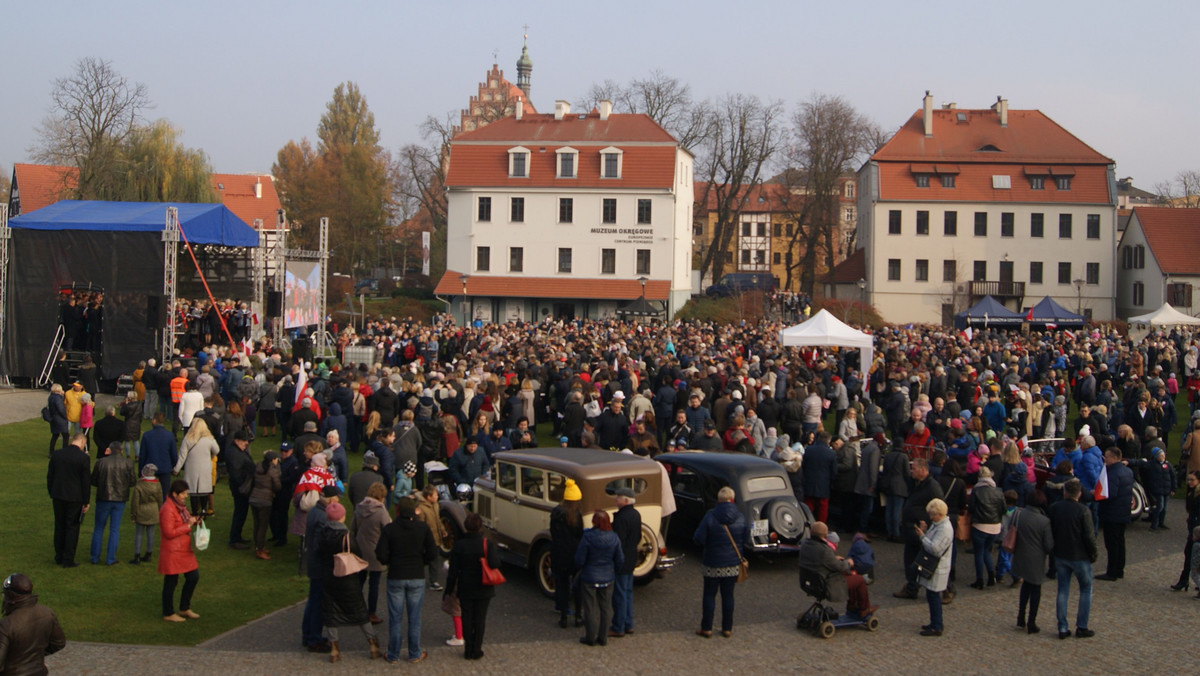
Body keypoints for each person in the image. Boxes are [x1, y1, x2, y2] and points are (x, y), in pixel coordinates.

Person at [317, 502, 381, 663]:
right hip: (347, 577)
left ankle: (334, 648)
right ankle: (372, 643)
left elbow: (318, 553)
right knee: (359, 610)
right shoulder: (346, 536)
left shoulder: (322, 534)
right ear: (342, 517)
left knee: (331, 611)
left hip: (329, 577)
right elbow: (357, 552)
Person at [375, 497, 436, 664]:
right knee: (414, 617)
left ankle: (393, 653)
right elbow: (432, 553)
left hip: (396, 575)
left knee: (395, 617)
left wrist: (390, 561)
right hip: (416, 575)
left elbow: (380, 554)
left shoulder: (390, 529)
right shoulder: (422, 528)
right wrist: (421, 561)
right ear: (414, 511)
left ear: (399, 511)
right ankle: (414, 652)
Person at [693, 486, 751, 637]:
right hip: (732, 563)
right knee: (728, 596)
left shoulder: (710, 515)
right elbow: (746, 538)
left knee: (709, 595)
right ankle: (727, 628)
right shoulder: (740, 516)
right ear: (732, 499)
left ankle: (707, 627)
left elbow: (698, 538)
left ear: (718, 500)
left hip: (712, 561)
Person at [445, 512, 500, 660]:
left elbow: (453, 570)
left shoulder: (459, 545)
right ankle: (477, 648)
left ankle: (468, 649)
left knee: (467, 617)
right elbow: (495, 563)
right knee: (480, 618)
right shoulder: (486, 544)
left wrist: (448, 589)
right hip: (484, 587)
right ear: (480, 527)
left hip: (466, 586)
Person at [1048, 478, 1097, 639]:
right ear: (1079, 494)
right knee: (1086, 589)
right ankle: (1082, 625)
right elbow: (1089, 536)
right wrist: (1093, 553)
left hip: (1061, 554)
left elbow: (1051, 531)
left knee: (1063, 590)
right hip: (1080, 555)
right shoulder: (1083, 511)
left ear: (1064, 492)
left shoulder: (1055, 508)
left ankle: (1062, 626)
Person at [798, 521, 876, 618]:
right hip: (825, 583)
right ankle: (865, 609)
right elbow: (839, 567)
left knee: (850, 576)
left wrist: (833, 559)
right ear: (825, 535)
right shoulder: (825, 550)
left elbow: (819, 560)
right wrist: (848, 562)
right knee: (859, 580)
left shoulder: (805, 544)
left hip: (809, 580)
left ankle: (852, 606)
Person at [895, 458, 944, 599]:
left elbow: (939, 506)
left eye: (914, 468)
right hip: (912, 528)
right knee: (911, 561)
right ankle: (911, 587)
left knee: (924, 561)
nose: (911, 471)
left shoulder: (932, 486)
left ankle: (946, 588)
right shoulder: (917, 484)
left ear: (923, 470)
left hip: (921, 529)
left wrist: (928, 523)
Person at [574, 510, 622, 647]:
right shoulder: (614, 537)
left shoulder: (588, 537)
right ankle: (603, 637)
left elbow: (579, 559)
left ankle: (590, 637)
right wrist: (614, 571)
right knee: (605, 608)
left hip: (590, 576)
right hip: (608, 576)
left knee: (589, 608)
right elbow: (620, 559)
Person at [0, 573, 66, 673]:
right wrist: (36, 655)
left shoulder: (6, 624)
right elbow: (59, 643)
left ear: (10, 595)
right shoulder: (47, 613)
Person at [301, 483, 340, 653]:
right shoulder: (323, 517)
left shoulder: (314, 511)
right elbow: (320, 544)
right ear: (331, 499)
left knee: (312, 600)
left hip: (313, 562)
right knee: (317, 602)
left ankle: (308, 634)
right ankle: (314, 639)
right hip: (319, 565)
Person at [1012, 489, 1054, 634]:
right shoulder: (1044, 521)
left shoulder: (1019, 514)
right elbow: (1048, 545)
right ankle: (1031, 621)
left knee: (1026, 586)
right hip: (1036, 558)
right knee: (1036, 589)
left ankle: (1021, 616)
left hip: (1020, 554)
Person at [159, 479, 202, 623]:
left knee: (193, 577)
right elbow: (168, 532)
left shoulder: (180, 506)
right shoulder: (168, 509)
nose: (186, 496)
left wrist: (194, 520)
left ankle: (184, 608)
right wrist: (188, 526)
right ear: (175, 494)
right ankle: (168, 612)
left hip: (183, 549)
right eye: (183, 494)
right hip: (173, 550)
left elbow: (186, 520)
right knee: (171, 581)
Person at [47, 433, 91, 568]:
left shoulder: (58, 454)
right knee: (72, 527)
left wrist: (52, 491)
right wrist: (86, 501)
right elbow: (85, 482)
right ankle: (68, 558)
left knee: (59, 525)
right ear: (83, 442)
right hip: (75, 498)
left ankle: (59, 555)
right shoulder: (83, 458)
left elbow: (50, 476)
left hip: (58, 494)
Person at [89, 442, 136, 565]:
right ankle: (110, 558)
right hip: (119, 500)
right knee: (114, 529)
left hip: (103, 498)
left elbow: (93, 480)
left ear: (110, 450)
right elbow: (132, 481)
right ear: (121, 450)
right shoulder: (128, 463)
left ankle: (94, 557)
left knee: (98, 528)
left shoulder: (101, 462)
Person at [353, 483, 392, 624]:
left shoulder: (359, 508)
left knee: (359, 580)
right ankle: (371, 613)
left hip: (360, 548)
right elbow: (388, 530)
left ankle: (356, 609)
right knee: (374, 583)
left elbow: (353, 528)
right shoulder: (381, 512)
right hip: (375, 550)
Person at [915, 498, 953, 636]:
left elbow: (935, 549)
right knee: (932, 595)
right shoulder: (938, 524)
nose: (931, 517)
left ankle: (937, 625)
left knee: (934, 596)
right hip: (935, 567)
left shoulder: (944, 528)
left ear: (940, 514)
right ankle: (934, 623)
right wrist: (925, 532)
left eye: (932, 515)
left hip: (938, 567)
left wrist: (922, 537)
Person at [1096, 448, 1134, 581]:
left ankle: (1112, 571)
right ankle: (1119, 569)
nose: (1105, 459)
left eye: (1106, 457)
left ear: (1113, 458)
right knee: (1120, 541)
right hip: (1123, 511)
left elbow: (1110, 493)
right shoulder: (1127, 471)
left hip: (1112, 512)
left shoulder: (1112, 473)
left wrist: (1096, 496)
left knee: (1112, 544)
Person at [550, 479, 584, 628]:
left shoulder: (556, 513)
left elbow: (553, 533)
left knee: (562, 586)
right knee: (577, 587)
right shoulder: (576, 515)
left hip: (559, 554)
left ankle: (563, 616)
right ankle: (578, 616)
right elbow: (580, 534)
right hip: (574, 554)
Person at [609, 487, 641, 638]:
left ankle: (618, 626)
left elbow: (618, 541)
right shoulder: (636, 514)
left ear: (626, 500)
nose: (616, 500)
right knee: (628, 592)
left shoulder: (622, 518)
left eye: (619, 497)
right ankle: (629, 623)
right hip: (632, 556)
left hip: (622, 557)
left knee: (619, 594)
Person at [967, 466, 1005, 588]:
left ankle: (980, 580)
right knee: (986, 550)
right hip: (995, 526)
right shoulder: (998, 491)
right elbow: (1003, 509)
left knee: (979, 552)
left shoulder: (976, 491)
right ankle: (991, 575)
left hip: (980, 525)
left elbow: (971, 508)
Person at [173, 419, 219, 517]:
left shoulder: (188, 439)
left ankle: (194, 511)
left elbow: (182, 455)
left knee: (193, 490)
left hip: (191, 467)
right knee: (204, 489)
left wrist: (176, 469)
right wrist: (210, 456)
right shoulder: (209, 439)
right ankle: (203, 509)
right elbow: (217, 450)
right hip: (205, 467)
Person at [225, 429, 256, 550]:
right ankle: (234, 539)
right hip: (241, 488)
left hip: (241, 487)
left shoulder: (236, 450)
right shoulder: (234, 453)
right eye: (244, 441)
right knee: (240, 513)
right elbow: (236, 474)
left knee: (241, 512)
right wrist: (244, 487)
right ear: (236, 441)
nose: (246, 443)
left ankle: (237, 536)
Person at [248, 450, 282, 560]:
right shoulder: (273, 471)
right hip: (265, 501)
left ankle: (258, 546)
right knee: (263, 526)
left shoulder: (258, 466)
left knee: (257, 523)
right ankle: (260, 549)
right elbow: (277, 487)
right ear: (273, 460)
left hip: (254, 498)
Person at [414, 485, 448, 591]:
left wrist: (442, 530)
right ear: (429, 497)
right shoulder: (421, 508)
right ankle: (422, 579)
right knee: (427, 559)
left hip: (436, 538)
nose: (437, 496)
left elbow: (437, 519)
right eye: (435, 495)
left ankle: (433, 581)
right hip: (427, 539)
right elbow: (420, 526)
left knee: (434, 560)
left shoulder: (435, 505)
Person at [129, 463, 163, 564]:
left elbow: (135, 502)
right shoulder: (157, 484)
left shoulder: (139, 485)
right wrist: (160, 510)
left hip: (141, 510)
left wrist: (133, 514)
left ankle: (137, 555)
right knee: (151, 534)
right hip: (153, 511)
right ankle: (149, 554)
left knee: (139, 534)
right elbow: (160, 499)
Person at [1172, 471, 1200, 591]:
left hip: (1197, 529)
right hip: (1193, 527)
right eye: (1188, 480)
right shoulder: (1191, 493)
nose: (1189, 482)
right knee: (1189, 554)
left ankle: (1185, 580)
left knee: (1192, 555)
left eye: (1192, 480)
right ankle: (1185, 580)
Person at [801, 431, 837, 523]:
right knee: (823, 507)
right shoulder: (831, 453)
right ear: (828, 441)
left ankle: (807, 524)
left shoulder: (809, 450)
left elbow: (803, 466)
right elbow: (834, 472)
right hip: (823, 484)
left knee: (808, 505)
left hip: (809, 482)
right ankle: (821, 526)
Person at [138, 412, 177, 490]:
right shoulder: (169, 435)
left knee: (149, 493)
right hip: (165, 467)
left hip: (149, 467)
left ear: (154, 420)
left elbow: (142, 455)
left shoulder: (147, 435)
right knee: (165, 492)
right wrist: (174, 466)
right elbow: (173, 454)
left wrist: (140, 470)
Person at [46, 383, 70, 454]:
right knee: (65, 435)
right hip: (59, 419)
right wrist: (65, 416)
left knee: (55, 435)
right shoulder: (57, 398)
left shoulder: (51, 397)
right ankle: (64, 451)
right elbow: (61, 409)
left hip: (54, 418)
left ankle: (51, 451)